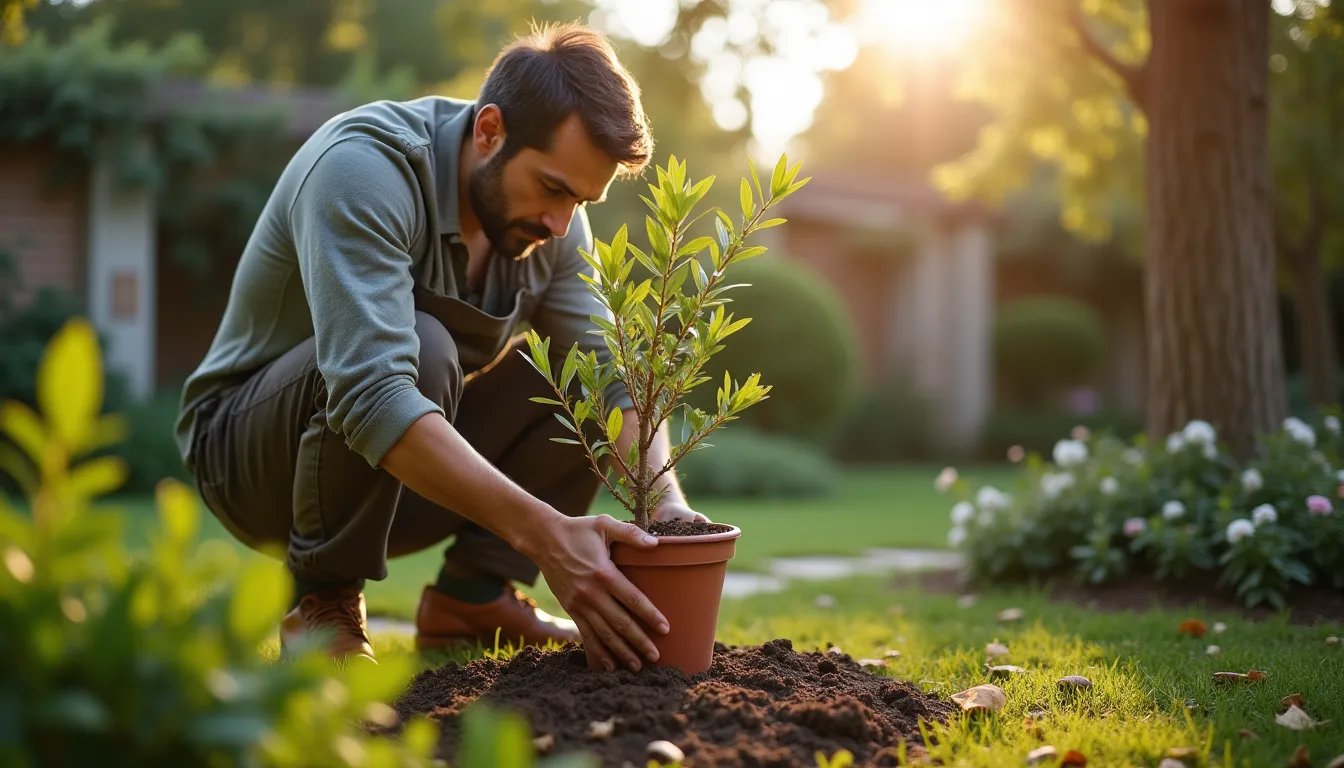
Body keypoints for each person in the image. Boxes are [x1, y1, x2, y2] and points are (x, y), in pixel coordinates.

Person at [175, 22, 704, 673]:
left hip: (396, 478)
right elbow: (374, 393)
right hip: (252, 463)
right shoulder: (362, 168)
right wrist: (547, 539)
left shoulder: (555, 224)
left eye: (581, 200)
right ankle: (322, 603)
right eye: (554, 190)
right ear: (489, 131)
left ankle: (472, 599)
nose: (561, 224)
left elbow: (607, 376)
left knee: (570, 379)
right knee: (421, 346)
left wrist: (666, 505)